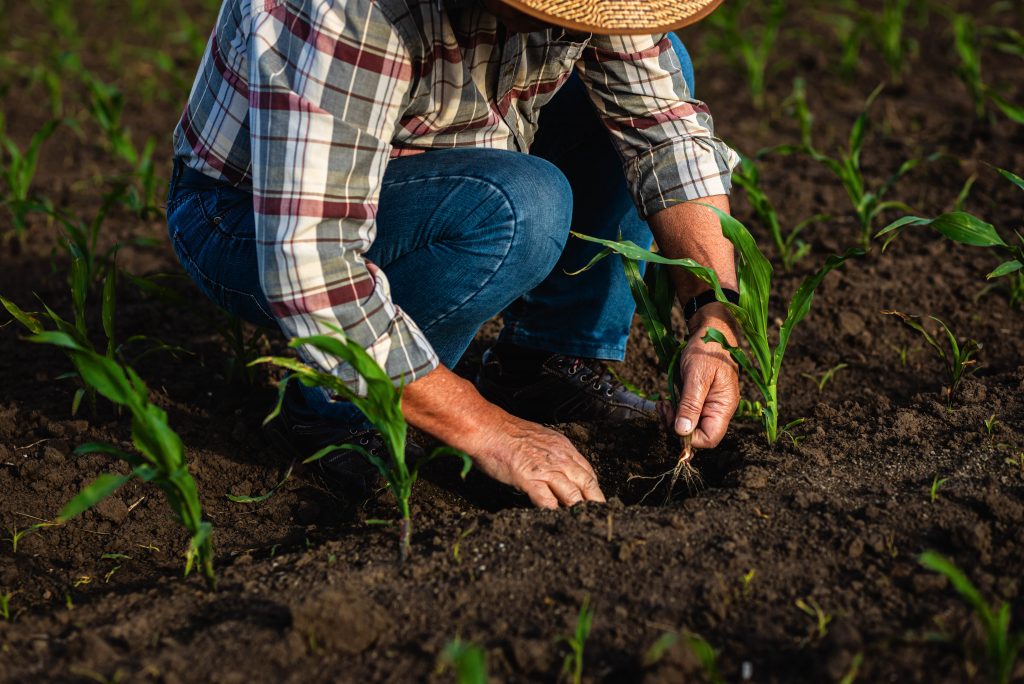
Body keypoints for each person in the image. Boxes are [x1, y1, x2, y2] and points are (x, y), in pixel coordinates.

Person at [165, 0, 742, 509]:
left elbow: (666, 134)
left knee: (658, 74)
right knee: (521, 207)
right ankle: (337, 410)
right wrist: (487, 429)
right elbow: (308, 267)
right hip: (250, 213)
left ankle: (543, 366)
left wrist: (712, 318)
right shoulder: (352, 10)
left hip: (439, 158)